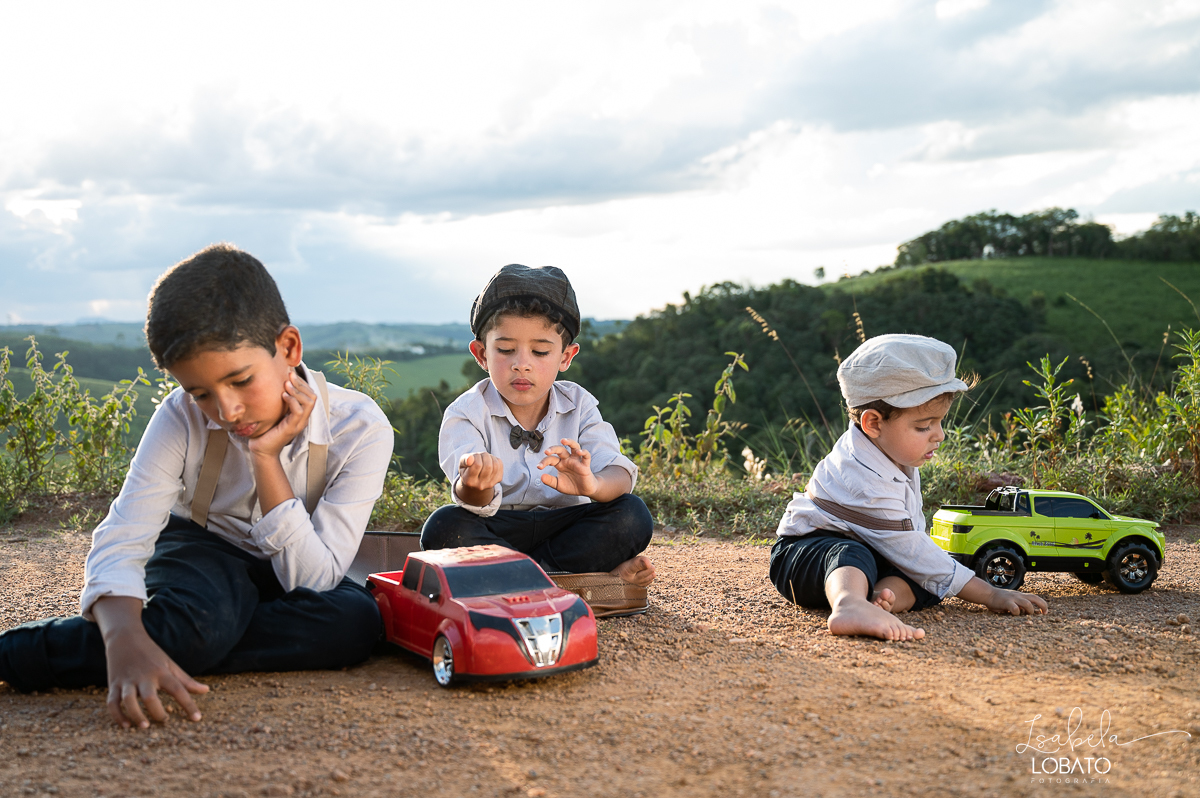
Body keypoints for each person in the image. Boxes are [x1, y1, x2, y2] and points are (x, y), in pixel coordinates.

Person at [0, 244, 394, 728]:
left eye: (241, 381)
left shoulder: (360, 428)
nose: (227, 411)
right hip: (200, 548)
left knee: (355, 623)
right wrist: (124, 639)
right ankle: (19, 653)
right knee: (199, 623)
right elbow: (124, 535)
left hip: (295, 559)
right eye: (201, 393)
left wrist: (265, 457)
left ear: (288, 348)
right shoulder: (179, 418)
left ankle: (181, 640)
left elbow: (313, 582)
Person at [769, 334, 1048, 641]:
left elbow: (918, 553)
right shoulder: (862, 478)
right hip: (805, 558)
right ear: (873, 423)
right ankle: (849, 603)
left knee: (933, 579)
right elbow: (914, 550)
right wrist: (990, 594)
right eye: (923, 426)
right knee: (855, 553)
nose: (939, 435)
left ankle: (879, 599)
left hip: (874, 557)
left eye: (940, 422)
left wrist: (941, 574)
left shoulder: (888, 448)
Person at [420, 264, 655, 613]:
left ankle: (518, 582)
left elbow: (618, 475)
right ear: (481, 354)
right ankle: (585, 583)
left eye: (540, 352)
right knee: (444, 527)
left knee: (632, 515)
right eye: (506, 350)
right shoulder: (466, 412)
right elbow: (469, 497)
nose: (522, 364)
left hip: (564, 530)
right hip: (498, 526)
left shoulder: (579, 405)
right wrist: (476, 482)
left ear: (565, 356)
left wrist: (592, 484)